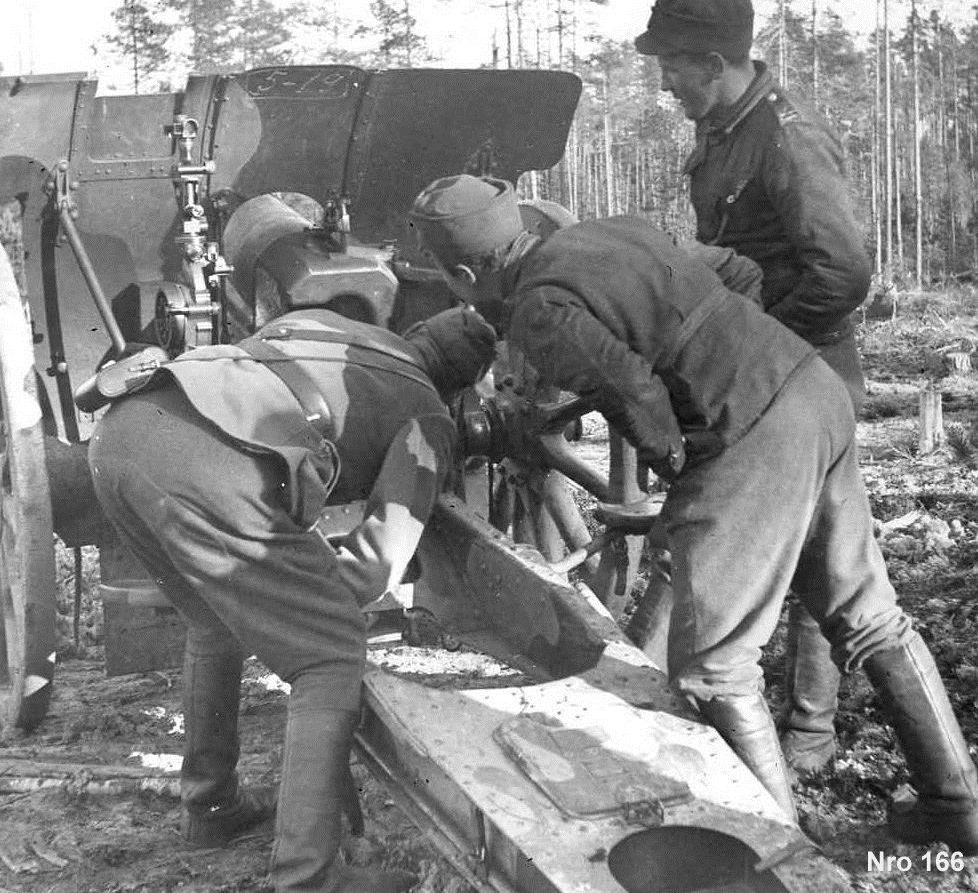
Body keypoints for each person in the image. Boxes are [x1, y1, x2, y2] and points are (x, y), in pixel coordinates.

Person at [408, 172, 978, 850]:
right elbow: (735, 273)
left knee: (713, 667)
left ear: (468, 272)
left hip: (746, 434)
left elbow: (636, 393)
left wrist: (690, 478)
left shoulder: (538, 308)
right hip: (808, 387)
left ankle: (778, 853)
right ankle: (956, 804)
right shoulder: (611, 228)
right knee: (868, 614)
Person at [88, 306, 497, 893]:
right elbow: (378, 567)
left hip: (121, 434)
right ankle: (308, 878)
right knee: (327, 655)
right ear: (461, 388)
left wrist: (294, 579)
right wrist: (319, 600)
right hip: (207, 465)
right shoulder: (427, 410)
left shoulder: (323, 322)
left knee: (212, 624)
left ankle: (211, 809)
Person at [632, 0, 873, 776]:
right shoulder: (724, 131)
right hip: (754, 369)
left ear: (711, 59)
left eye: (671, 64)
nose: (663, 81)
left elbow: (841, 271)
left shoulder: (785, 137)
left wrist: (765, 344)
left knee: (820, 559)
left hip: (805, 365)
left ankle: (808, 734)